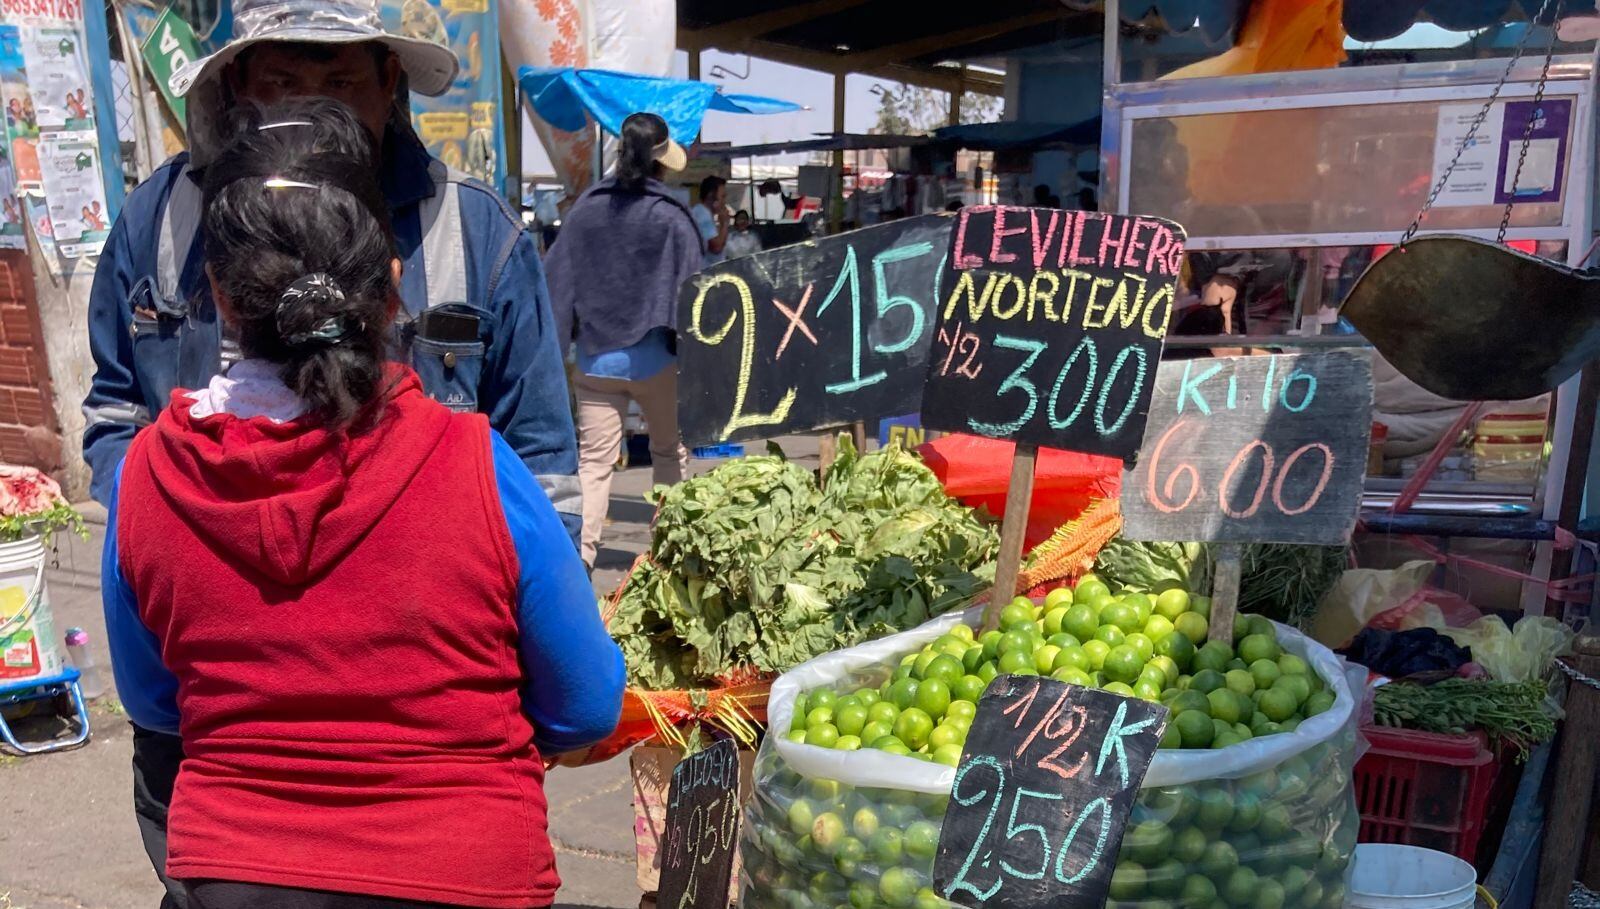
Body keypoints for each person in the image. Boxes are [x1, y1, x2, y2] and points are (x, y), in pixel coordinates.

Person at [80, 2, 583, 905]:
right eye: (283, 78)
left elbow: (542, 453)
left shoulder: (473, 236)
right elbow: (115, 404)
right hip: (223, 743)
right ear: (238, 85)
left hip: (429, 722)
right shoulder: (159, 221)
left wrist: (513, 646)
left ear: (391, 83)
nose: (311, 104)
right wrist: (159, 543)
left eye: (341, 78)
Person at [545, 112, 699, 569]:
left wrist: (553, 358)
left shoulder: (585, 211)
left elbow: (555, 284)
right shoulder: (670, 217)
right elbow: (696, 291)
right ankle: (670, 557)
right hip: (658, 361)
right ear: (661, 162)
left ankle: (581, 563)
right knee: (669, 452)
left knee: (593, 466)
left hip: (595, 364)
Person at [694, 174, 729, 266]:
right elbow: (716, 247)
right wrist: (724, 223)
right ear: (711, 195)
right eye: (722, 197)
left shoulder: (704, 214)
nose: (724, 202)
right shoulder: (702, 214)